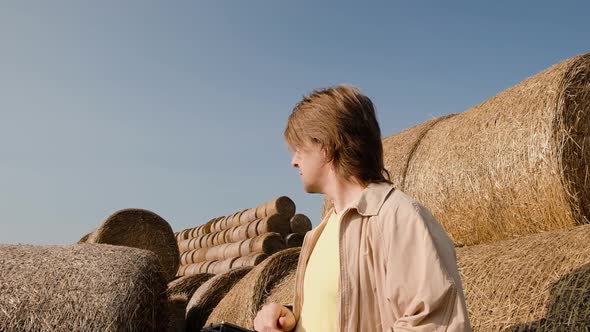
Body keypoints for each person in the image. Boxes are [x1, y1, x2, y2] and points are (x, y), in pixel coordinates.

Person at [253, 85, 471, 331]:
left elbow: (436, 323)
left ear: (325, 145)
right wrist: (289, 317)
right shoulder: (322, 231)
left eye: (298, 149)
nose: (294, 161)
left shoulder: (397, 217)